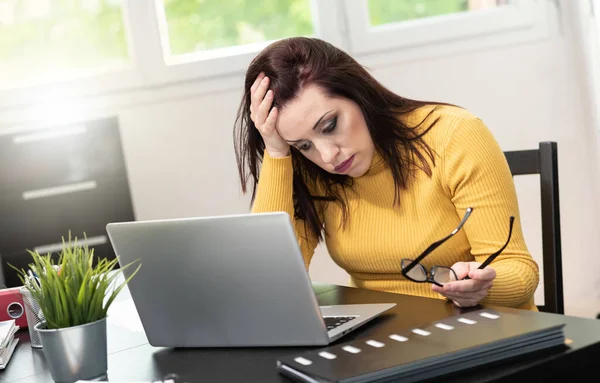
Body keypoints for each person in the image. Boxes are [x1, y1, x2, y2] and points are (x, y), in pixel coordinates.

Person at [233, 37, 539, 310]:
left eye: (329, 126)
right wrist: (277, 153)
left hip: (476, 326)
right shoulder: (311, 168)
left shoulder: (454, 134)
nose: (327, 156)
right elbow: (271, 285)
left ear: (359, 94)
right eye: (303, 145)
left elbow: (520, 270)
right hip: (379, 340)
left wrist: (483, 286)